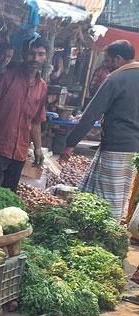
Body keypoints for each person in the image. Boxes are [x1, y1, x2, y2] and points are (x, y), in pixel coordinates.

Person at [60, 40, 139, 220]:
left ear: (118, 59)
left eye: (108, 60)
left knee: (109, 198)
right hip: (135, 151)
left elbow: (91, 114)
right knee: (120, 193)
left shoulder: (116, 78)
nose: (106, 64)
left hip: (116, 146)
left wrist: (71, 143)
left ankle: (107, 235)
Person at [0, 38, 49, 191]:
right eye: (31, 54)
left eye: (40, 54)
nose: (35, 58)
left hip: (20, 153)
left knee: (7, 198)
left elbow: (36, 122)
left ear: (46, 56)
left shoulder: (42, 87)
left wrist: (38, 148)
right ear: (24, 54)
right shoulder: (7, 78)